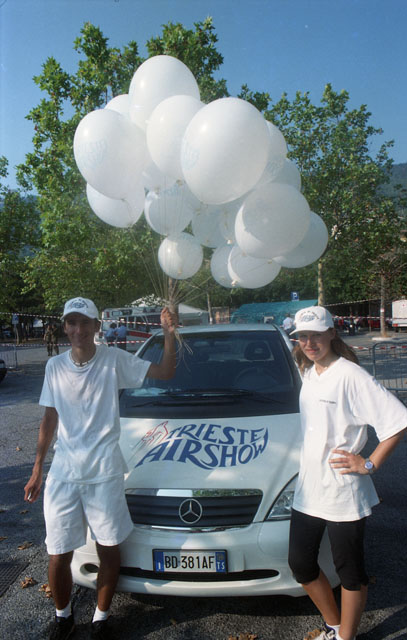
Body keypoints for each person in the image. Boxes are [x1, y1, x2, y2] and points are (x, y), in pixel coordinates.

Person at [24, 297, 177, 640]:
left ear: (96, 327)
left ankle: (101, 619)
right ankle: (63, 618)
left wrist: (168, 335)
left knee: (108, 547)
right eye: (72, 322)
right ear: (65, 327)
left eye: (85, 322)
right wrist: (37, 469)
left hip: (104, 472)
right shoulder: (54, 367)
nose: (78, 329)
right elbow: (49, 418)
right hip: (64, 474)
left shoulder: (114, 360)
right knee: (57, 551)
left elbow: (165, 372)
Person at [288, 306, 407, 640]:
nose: (309, 342)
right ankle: (335, 626)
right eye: (302, 336)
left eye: (316, 335)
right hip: (309, 490)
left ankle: (346, 637)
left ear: (332, 333)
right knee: (301, 564)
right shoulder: (309, 372)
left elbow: (397, 420)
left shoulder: (351, 375)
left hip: (343, 490)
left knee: (350, 572)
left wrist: (368, 463)